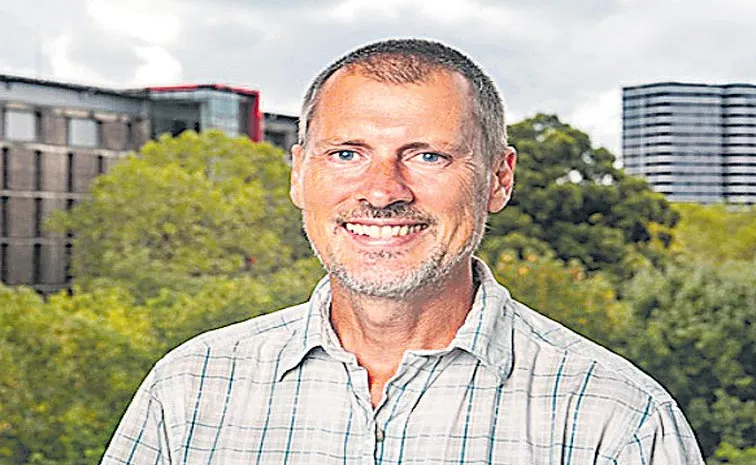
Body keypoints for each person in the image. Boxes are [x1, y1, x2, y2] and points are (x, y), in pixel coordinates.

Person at [101, 39, 704, 464]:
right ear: (299, 175)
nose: (383, 192)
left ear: (499, 179)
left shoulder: (617, 421)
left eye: (428, 156)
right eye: (347, 154)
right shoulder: (189, 391)